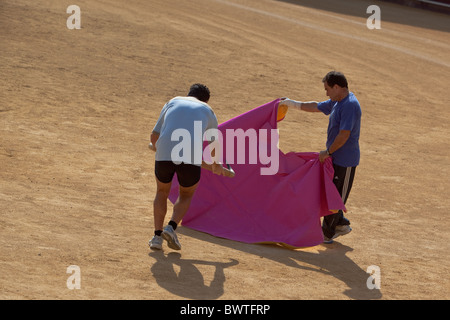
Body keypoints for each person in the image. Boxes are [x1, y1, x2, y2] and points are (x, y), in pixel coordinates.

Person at [279, 71, 362, 243]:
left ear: (337, 87)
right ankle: (340, 224)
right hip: (335, 158)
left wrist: (329, 151)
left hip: (345, 160)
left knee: (337, 197)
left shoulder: (349, 105)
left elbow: (344, 134)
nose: (326, 93)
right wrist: (291, 103)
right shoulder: (337, 101)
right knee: (332, 192)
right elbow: (316, 106)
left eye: (327, 89)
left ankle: (327, 233)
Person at [149, 83, 226, 250]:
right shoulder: (208, 110)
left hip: (164, 154)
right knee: (186, 194)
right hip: (190, 157)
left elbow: (154, 136)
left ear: (189, 94)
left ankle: (156, 237)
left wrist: (159, 148)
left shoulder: (173, 101)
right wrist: (217, 164)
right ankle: (171, 227)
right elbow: (214, 146)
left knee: (161, 192)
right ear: (205, 100)